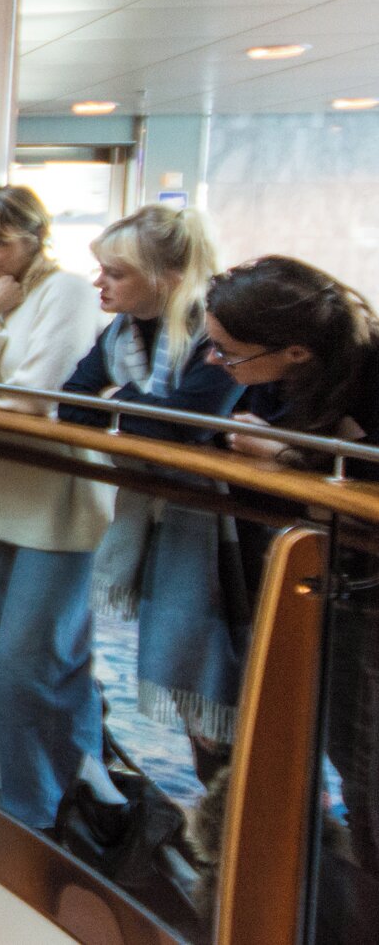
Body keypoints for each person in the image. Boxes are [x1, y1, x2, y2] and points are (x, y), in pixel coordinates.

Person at [205, 256, 379, 934]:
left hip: (363, 581)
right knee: (348, 760)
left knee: (366, 777)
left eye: (225, 349)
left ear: (296, 349)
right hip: (342, 577)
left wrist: (278, 456)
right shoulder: (298, 374)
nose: (213, 361)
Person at [0, 185, 114, 829]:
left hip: (54, 493)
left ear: (34, 237)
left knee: (31, 658)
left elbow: (37, 398)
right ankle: (67, 791)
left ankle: (41, 809)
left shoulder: (65, 292)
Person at [59, 205, 243, 783]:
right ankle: (221, 818)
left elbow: (190, 420)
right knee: (193, 685)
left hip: (232, 534)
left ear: (164, 278)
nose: (100, 283)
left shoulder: (216, 328)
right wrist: (144, 415)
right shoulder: (124, 331)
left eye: (116, 273)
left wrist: (126, 412)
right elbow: (73, 402)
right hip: (168, 514)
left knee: (226, 681)